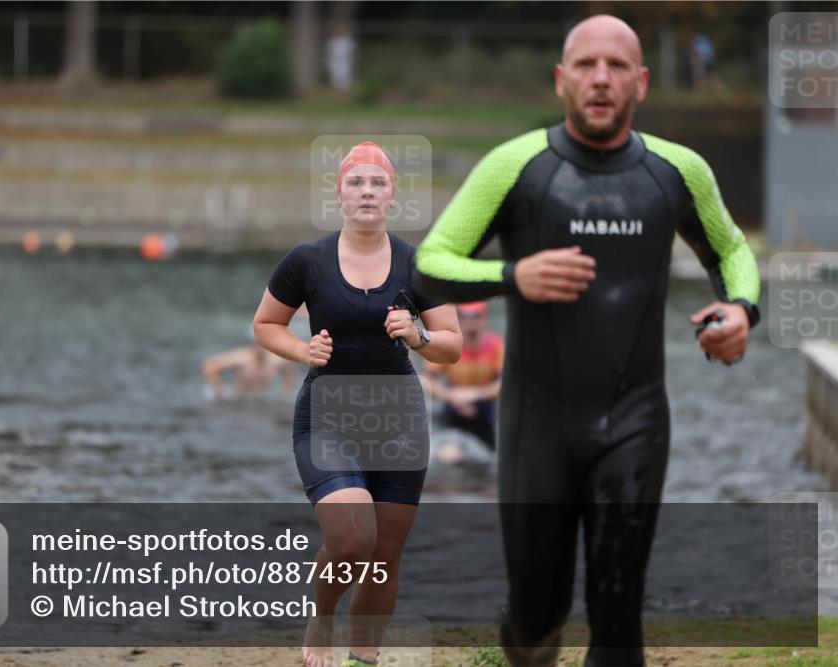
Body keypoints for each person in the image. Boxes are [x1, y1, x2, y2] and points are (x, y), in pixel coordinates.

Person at [411, 15, 759, 667]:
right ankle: (526, 631)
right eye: (587, 65)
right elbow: (429, 265)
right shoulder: (515, 166)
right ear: (561, 79)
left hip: (635, 419)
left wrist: (741, 311)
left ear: (642, 82)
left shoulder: (677, 171)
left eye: (618, 66)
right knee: (539, 618)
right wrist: (515, 275)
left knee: (618, 615)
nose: (602, 78)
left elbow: (731, 248)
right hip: (536, 422)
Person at [253, 141, 462, 667]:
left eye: (378, 183)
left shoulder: (421, 265)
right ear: (339, 195)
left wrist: (417, 336)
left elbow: (452, 346)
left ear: (393, 195)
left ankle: (362, 659)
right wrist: (304, 349)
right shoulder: (306, 261)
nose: (367, 192)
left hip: (400, 422)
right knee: (351, 539)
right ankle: (322, 616)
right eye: (356, 183)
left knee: (384, 557)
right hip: (327, 416)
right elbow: (264, 325)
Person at [421, 301, 504, 451]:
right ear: (460, 319)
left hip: (483, 410)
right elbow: (425, 380)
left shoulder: (494, 345)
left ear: (484, 318)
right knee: (449, 453)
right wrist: (450, 396)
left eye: (476, 316)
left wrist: (476, 394)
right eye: (465, 317)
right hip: (454, 407)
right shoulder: (452, 347)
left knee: (490, 454)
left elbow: (506, 383)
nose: (471, 322)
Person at [202, 332, 297, 401]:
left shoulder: (275, 360)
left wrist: (286, 392)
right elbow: (210, 366)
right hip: (240, 399)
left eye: (263, 344)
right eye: (257, 343)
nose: (259, 347)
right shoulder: (242, 357)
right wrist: (219, 391)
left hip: (265, 400)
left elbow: (290, 370)